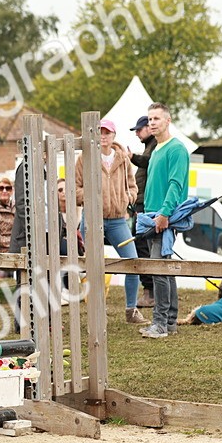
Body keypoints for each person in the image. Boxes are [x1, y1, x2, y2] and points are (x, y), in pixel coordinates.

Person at [75, 118, 145, 325]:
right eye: (100, 132)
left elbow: (133, 186)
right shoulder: (84, 158)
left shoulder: (123, 158)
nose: (103, 136)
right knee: (92, 266)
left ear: (114, 135)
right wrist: (91, 198)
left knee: (132, 262)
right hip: (92, 219)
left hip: (117, 220)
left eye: (107, 132)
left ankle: (131, 310)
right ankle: (97, 312)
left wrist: (128, 198)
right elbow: (75, 188)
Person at [140, 103, 190, 340]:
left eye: (156, 118)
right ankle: (169, 321)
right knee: (165, 269)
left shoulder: (176, 149)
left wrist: (164, 214)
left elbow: (175, 184)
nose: (151, 122)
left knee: (159, 268)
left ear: (168, 121)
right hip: (151, 216)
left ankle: (160, 323)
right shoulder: (157, 149)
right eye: (150, 118)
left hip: (163, 217)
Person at [127, 114, 157, 308]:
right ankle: (150, 290)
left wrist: (132, 157)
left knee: (142, 246)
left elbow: (147, 161)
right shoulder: (151, 145)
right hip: (142, 204)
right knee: (143, 246)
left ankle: (150, 292)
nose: (137, 133)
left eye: (139, 129)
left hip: (144, 205)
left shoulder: (154, 146)